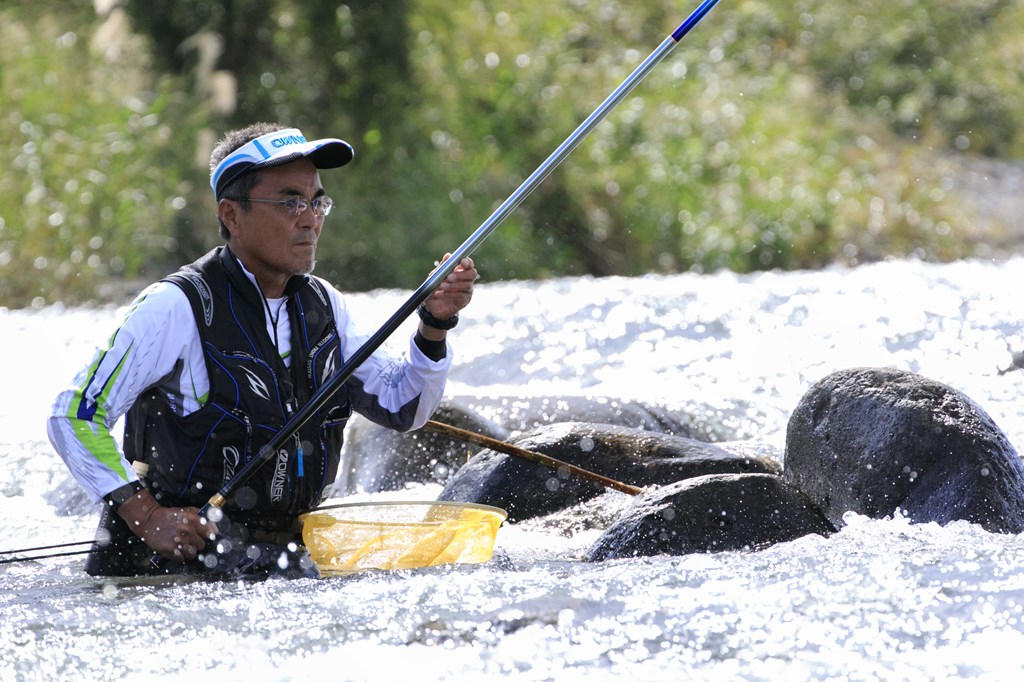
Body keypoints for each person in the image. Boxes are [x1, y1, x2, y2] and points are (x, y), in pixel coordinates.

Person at [46, 122, 478, 578]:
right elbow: (72, 414)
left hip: (280, 570)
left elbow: (403, 405)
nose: (310, 219)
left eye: (317, 201)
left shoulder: (326, 305)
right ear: (232, 215)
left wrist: (435, 324)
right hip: (166, 576)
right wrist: (148, 516)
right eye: (291, 202)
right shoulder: (174, 306)